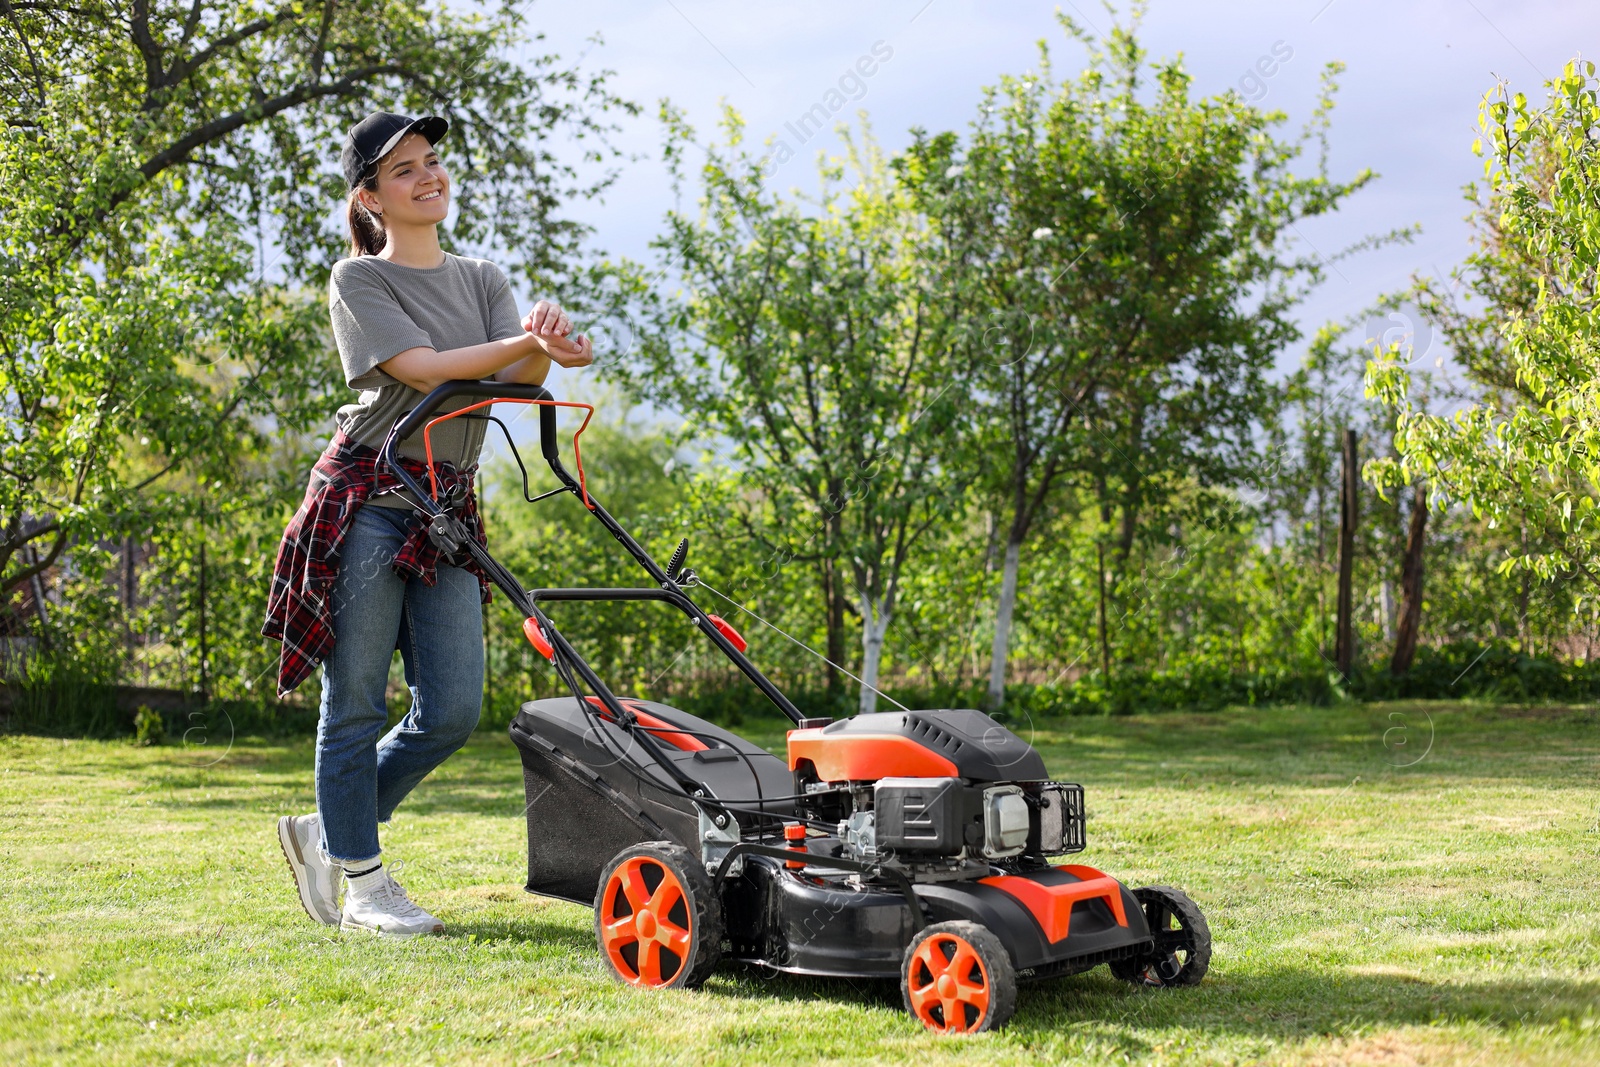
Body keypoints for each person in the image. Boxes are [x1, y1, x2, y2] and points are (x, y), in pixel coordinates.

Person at [263, 111, 593, 937]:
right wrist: (521, 342)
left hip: (444, 506)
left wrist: (545, 346)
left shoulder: (481, 277)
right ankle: (367, 887)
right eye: (404, 170)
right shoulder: (359, 281)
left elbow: (512, 377)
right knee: (356, 704)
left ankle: (327, 833)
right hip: (369, 498)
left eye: (433, 162)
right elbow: (424, 371)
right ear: (370, 197)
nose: (427, 177)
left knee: (450, 708)